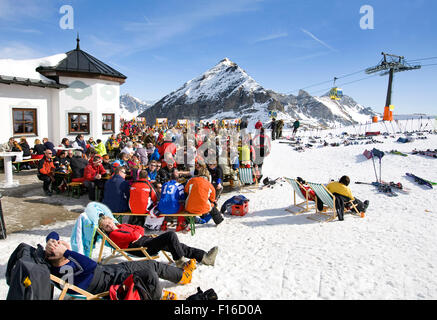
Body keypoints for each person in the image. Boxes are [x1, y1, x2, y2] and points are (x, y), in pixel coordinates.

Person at [44, 231, 195, 300]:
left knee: (150, 264)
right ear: (60, 255)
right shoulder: (69, 268)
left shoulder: (58, 265)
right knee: (150, 271)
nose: (59, 243)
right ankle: (162, 294)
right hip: (111, 280)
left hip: (109, 271)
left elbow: (52, 233)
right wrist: (67, 252)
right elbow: (91, 265)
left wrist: (51, 241)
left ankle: (181, 276)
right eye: (59, 246)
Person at [99, 216, 219, 267]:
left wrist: (137, 234)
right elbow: (133, 235)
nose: (109, 226)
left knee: (176, 244)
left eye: (109, 222)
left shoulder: (122, 225)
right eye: (106, 226)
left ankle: (204, 257)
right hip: (141, 248)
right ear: (104, 230)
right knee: (171, 235)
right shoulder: (114, 234)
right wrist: (136, 234)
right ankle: (180, 262)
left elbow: (139, 229)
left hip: (145, 241)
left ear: (111, 220)